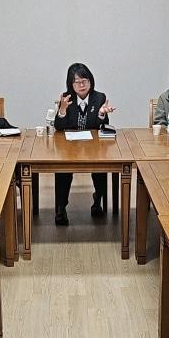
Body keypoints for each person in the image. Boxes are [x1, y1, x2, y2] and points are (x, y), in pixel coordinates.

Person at [52, 63, 117, 225]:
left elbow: (99, 126)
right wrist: (62, 111)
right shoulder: (66, 98)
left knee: (101, 166)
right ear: (71, 84)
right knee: (62, 169)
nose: (81, 85)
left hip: (93, 146)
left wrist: (102, 114)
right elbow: (59, 128)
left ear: (90, 81)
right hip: (70, 146)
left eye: (84, 81)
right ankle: (61, 208)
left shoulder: (99, 97)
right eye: (76, 82)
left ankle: (98, 201)